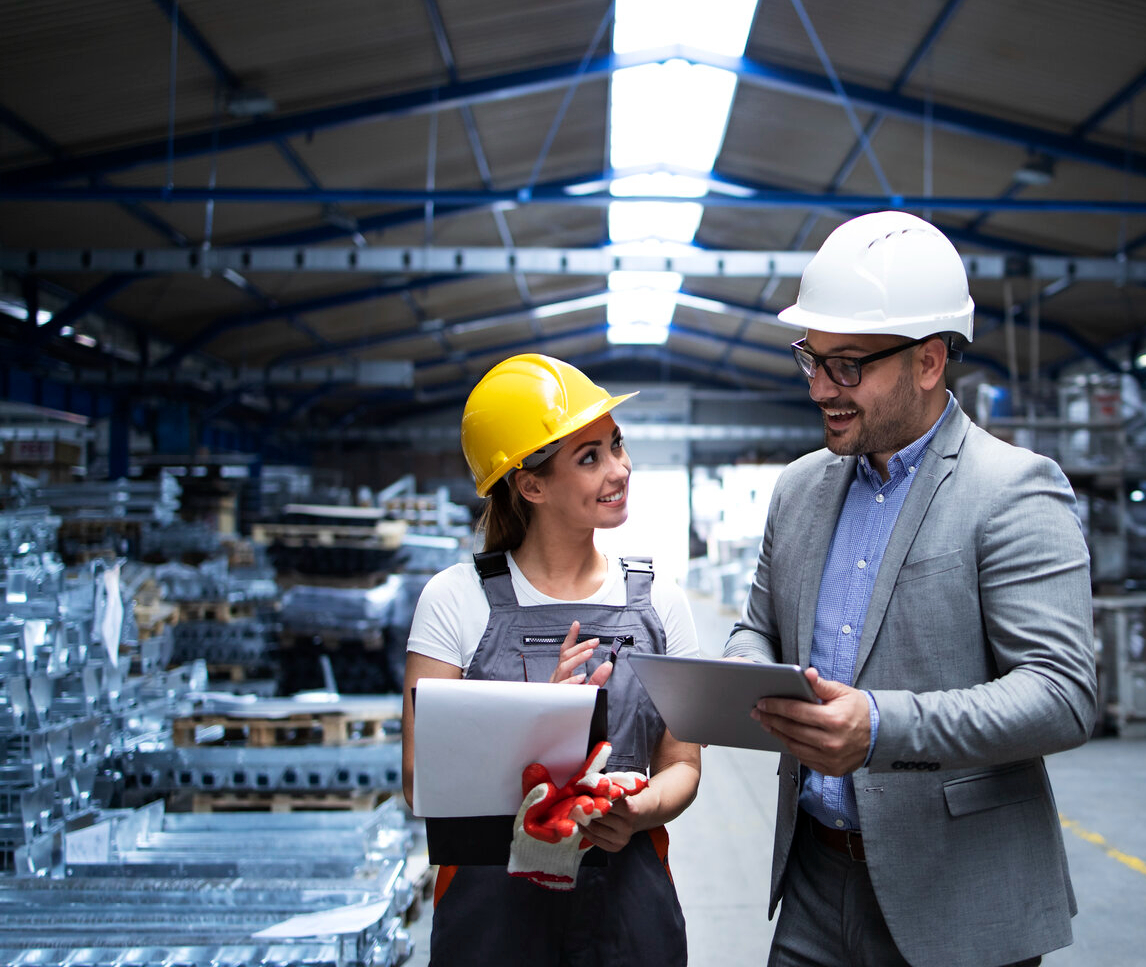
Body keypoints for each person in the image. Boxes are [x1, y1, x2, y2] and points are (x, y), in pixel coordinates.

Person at [723, 211, 1097, 967]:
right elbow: (757, 624)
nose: (822, 388)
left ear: (929, 362)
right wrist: (743, 674)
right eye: (812, 360)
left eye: (849, 366)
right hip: (813, 885)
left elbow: (1062, 694)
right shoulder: (799, 490)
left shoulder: (1013, 491)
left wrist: (883, 729)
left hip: (956, 896)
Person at [401, 353, 701, 966]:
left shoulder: (659, 602)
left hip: (628, 906)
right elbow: (417, 783)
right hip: (494, 917)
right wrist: (542, 721)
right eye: (588, 458)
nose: (619, 470)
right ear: (530, 484)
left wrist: (639, 809)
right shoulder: (455, 600)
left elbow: (684, 765)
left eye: (616, 445)